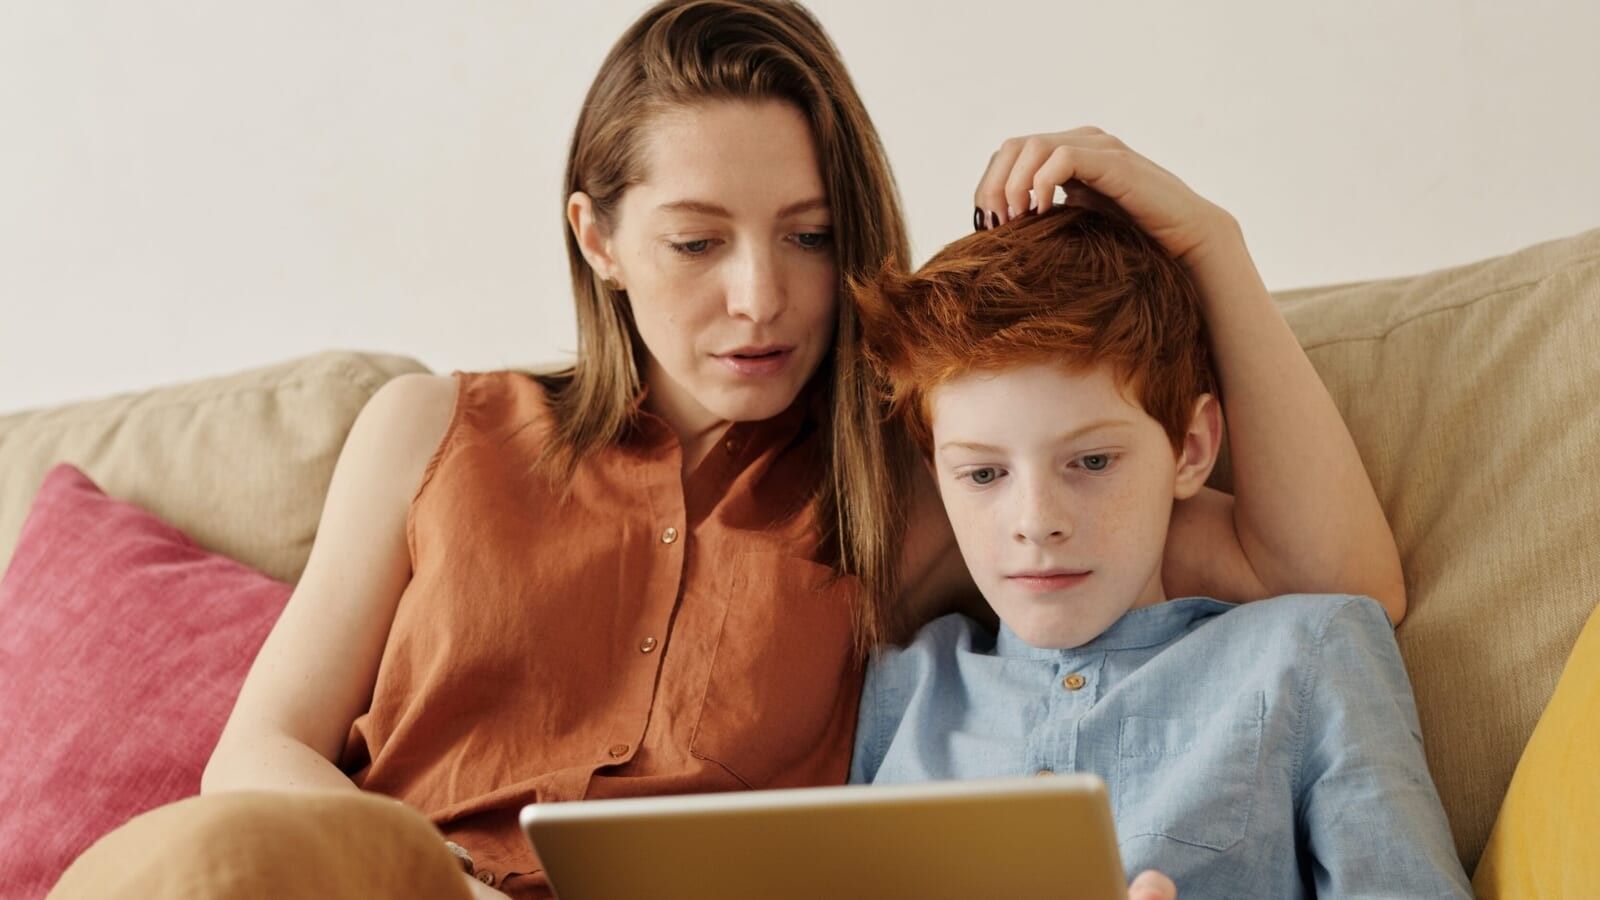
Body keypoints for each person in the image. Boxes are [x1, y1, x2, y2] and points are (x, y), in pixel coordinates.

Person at [50, 3, 1405, 900]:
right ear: (599, 238)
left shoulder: (924, 481)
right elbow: (261, 753)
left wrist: (1206, 241)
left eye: (809, 236)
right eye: (698, 241)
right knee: (205, 862)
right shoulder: (431, 427)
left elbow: (1327, 575)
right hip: (389, 885)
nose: (759, 296)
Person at [847, 201, 1472, 898]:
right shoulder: (904, 686)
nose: (1036, 522)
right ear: (937, 474)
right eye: (985, 474)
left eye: (1091, 462)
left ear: (1191, 449)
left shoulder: (1304, 653)